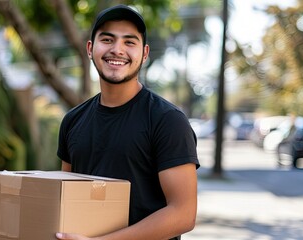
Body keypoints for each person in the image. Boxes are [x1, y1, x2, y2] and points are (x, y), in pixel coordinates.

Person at [56, 4, 199, 240]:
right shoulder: (73, 121)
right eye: (108, 39)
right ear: (90, 48)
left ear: (144, 53)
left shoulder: (167, 121)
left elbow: (184, 214)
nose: (117, 49)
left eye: (129, 42)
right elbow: (65, 198)